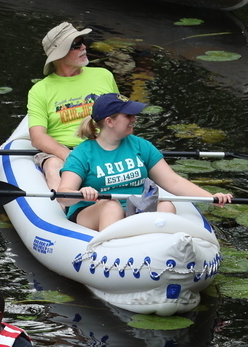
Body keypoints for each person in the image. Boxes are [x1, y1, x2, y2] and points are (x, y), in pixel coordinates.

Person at [58, 93, 233, 232]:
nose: (134, 119)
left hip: (136, 210)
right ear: (109, 122)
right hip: (94, 212)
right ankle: (112, 252)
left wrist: (210, 197)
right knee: (111, 206)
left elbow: (173, 181)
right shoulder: (82, 153)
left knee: (166, 206)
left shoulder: (141, 145)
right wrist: (81, 191)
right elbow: (63, 195)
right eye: (128, 115)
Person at [26, 22, 119, 191]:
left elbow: (120, 117)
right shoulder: (40, 90)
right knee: (54, 164)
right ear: (59, 55)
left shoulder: (104, 75)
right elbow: (38, 137)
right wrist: (70, 156)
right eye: (76, 45)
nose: (84, 47)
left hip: (103, 145)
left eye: (82, 41)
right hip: (62, 151)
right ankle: (65, 212)